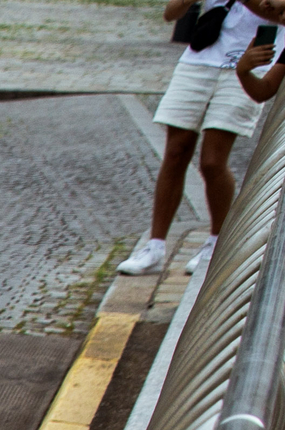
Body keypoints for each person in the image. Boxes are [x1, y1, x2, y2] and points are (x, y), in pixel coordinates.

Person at [121, 1, 285, 276]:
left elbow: (278, 13)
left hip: (251, 59)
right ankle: (155, 247)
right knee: (175, 151)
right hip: (200, 58)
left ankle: (215, 243)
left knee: (212, 161)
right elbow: (170, 14)